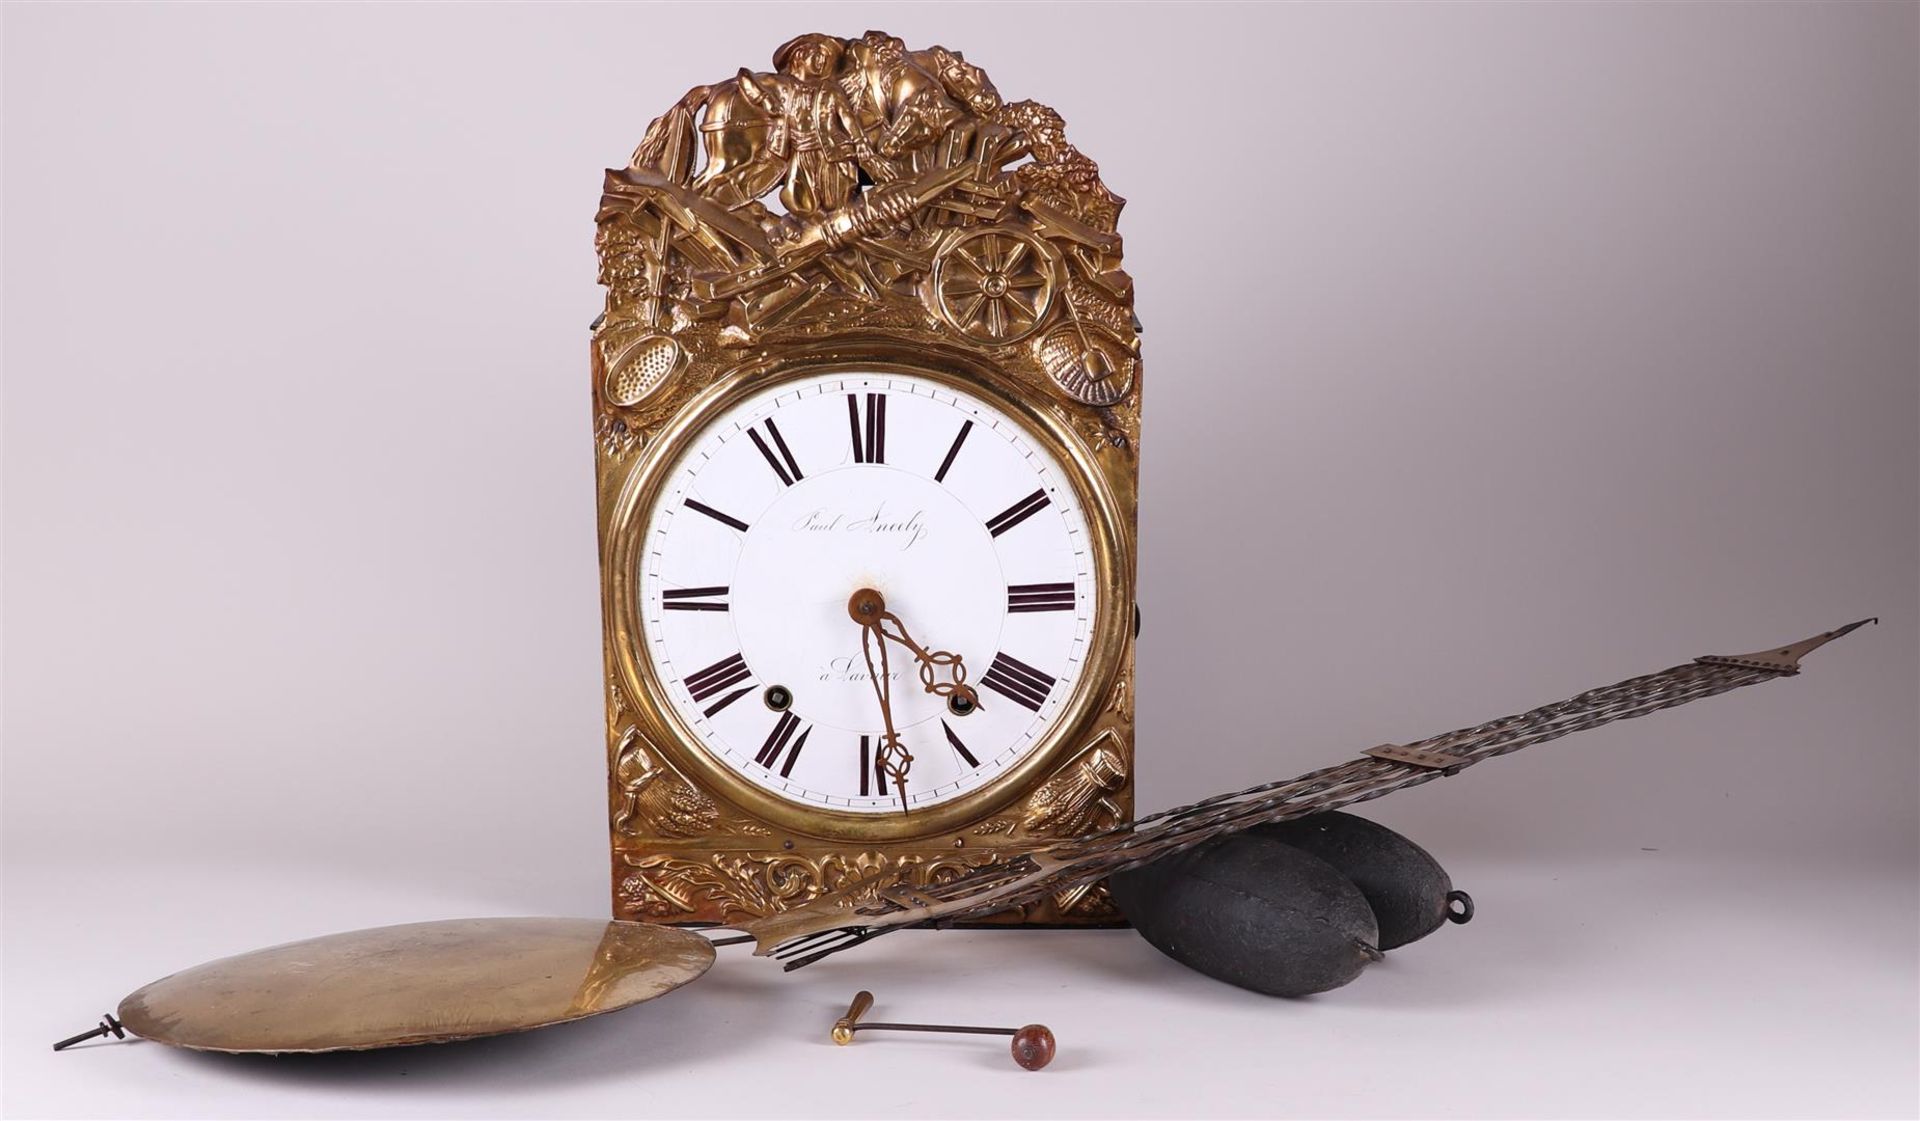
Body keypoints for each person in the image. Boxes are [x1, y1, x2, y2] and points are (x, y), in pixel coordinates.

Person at [738, 34, 863, 218]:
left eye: (824, 56)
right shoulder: (783, 85)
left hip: (833, 154)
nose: (822, 59)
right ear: (800, 56)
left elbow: (848, 118)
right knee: (798, 199)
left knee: (838, 201)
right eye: (816, 54)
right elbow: (744, 76)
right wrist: (764, 99)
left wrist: (861, 143)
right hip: (802, 153)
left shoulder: (830, 89)